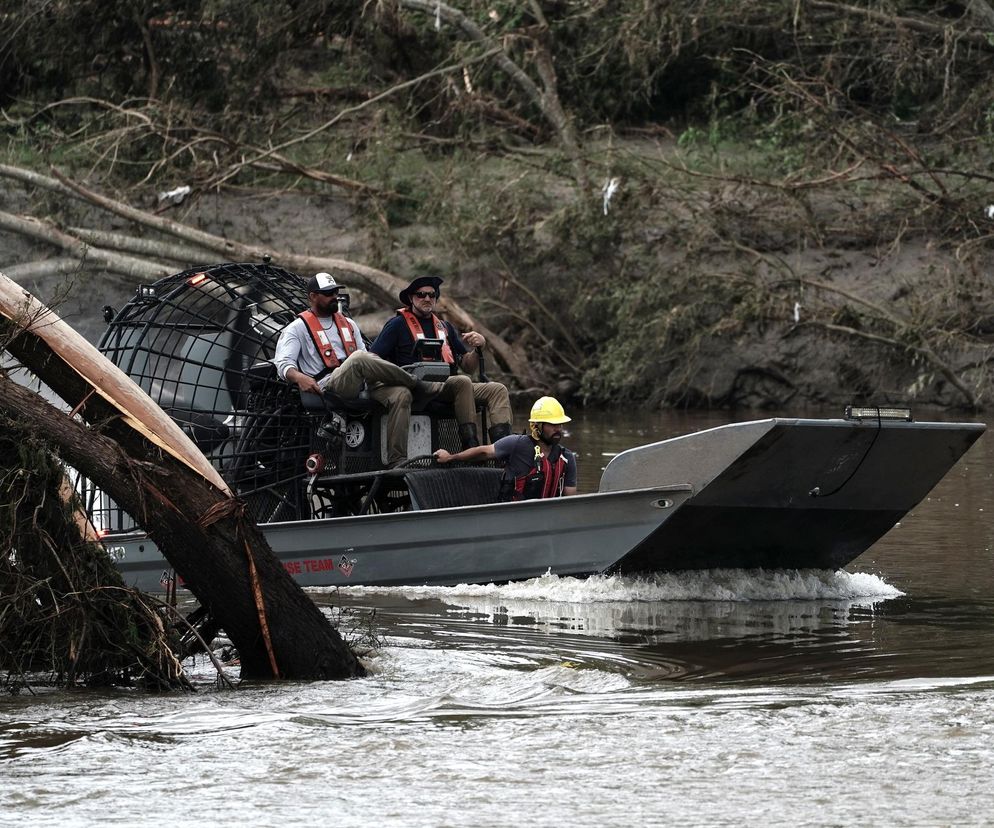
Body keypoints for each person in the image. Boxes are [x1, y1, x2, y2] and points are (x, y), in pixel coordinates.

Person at [274, 271, 444, 467]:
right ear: (313, 296)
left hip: (360, 383)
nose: (334, 297)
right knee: (359, 359)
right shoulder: (297, 328)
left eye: (335, 292)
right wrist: (299, 377)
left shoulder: (349, 324)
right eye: (328, 293)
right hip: (329, 386)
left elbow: (368, 360)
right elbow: (283, 364)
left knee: (401, 394)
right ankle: (417, 383)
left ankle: (397, 459)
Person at [371, 275, 513, 449]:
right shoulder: (397, 325)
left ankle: (504, 449)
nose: (427, 298)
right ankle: (471, 447)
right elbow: (373, 358)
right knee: (462, 381)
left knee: (497, 390)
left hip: (450, 386)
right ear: (411, 298)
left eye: (432, 295)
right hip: (417, 387)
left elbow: (468, 366)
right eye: (421, 294)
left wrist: (478, 348)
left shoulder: (445, 328)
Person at [433, 396, 577, 500]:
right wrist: (451, 457)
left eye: (560, 424)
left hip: (547, 520)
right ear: (537, 426)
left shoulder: (567, 458)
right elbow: (484, 452)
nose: (558, 429)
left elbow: (570, 500)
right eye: (553, 425)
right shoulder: (516, 444)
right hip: (515, 517)